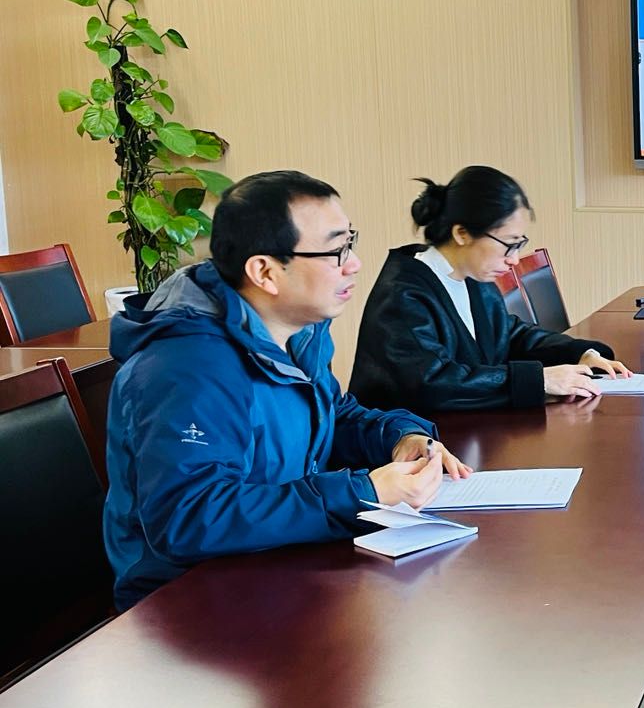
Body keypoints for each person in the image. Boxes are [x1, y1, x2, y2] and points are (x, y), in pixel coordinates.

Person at [104, 170, 471, 610]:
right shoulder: (188, 366)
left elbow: (331, 415)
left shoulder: (299, 331)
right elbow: (188, 518)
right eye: (335, 251)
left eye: (349, 242)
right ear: (265, 271)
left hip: (275, 564)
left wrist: (401, 436)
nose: (353, 264)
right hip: (186, 603)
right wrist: (361, 493)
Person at [350, 166, 627, 414]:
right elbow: (432, 384)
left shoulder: (473, 278)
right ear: (462, 234)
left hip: (463, 435)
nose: (514, 259)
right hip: (406, 446)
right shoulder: (403, 295)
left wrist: (578, 353)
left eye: (519, 244)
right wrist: (539, 380)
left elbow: (509, 335)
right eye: (508, 244)